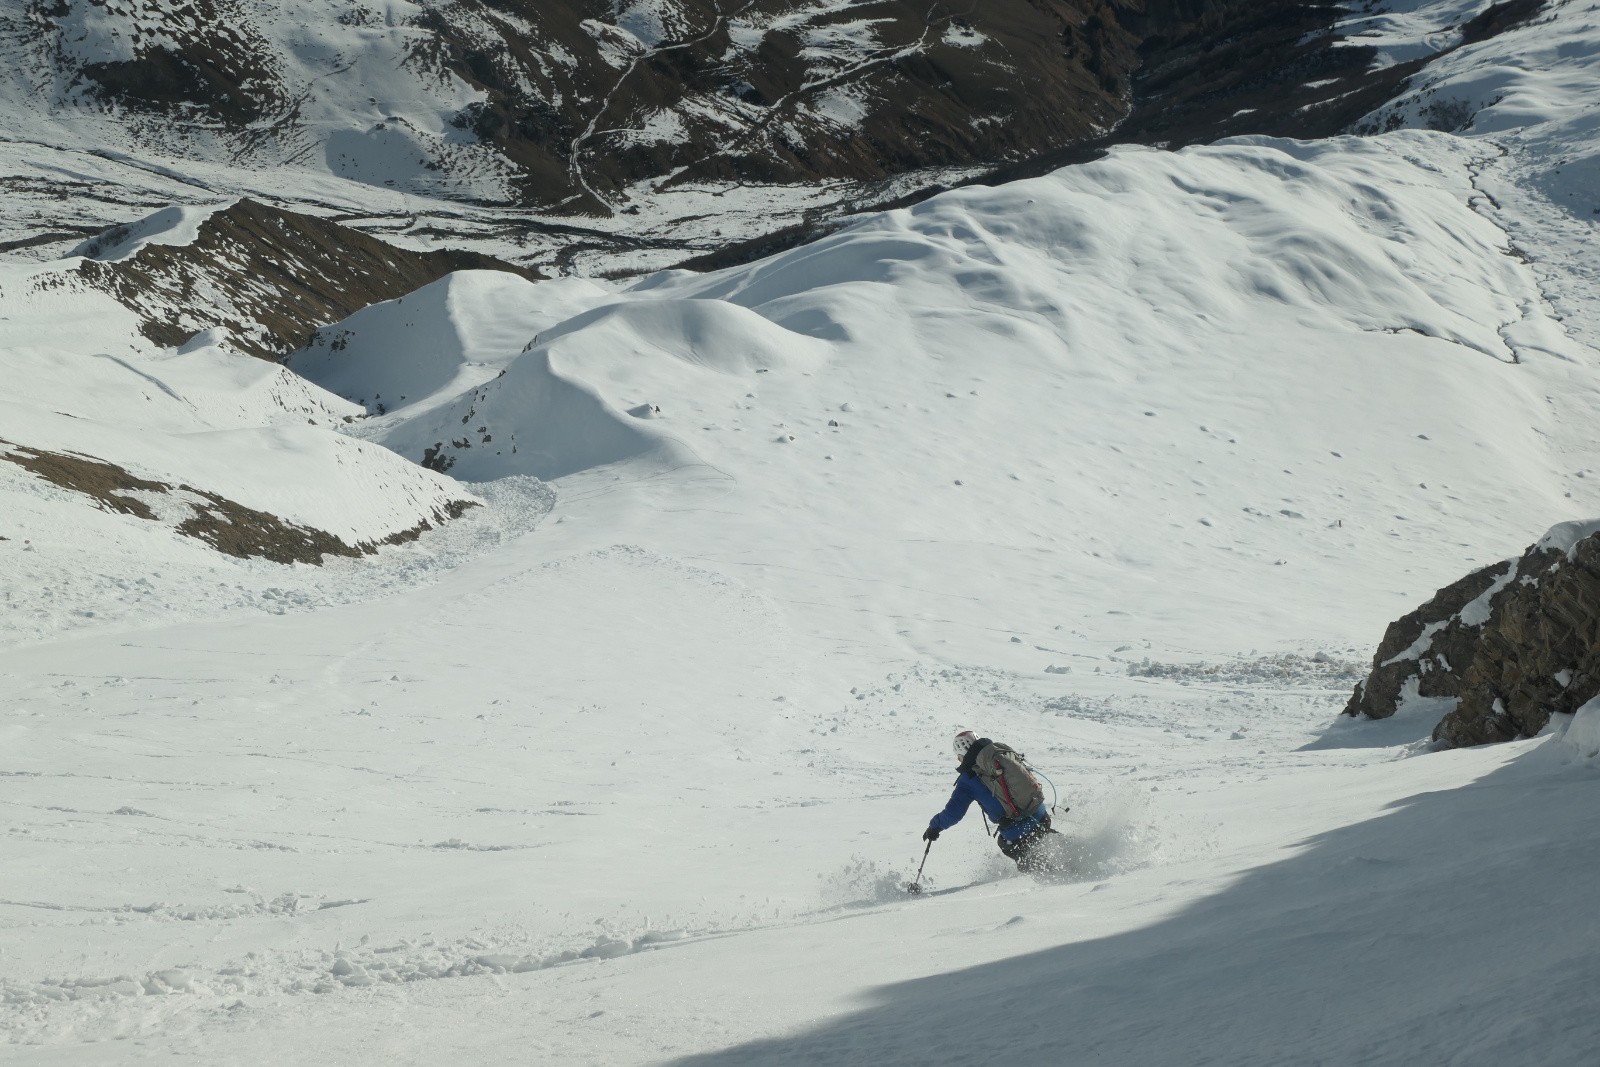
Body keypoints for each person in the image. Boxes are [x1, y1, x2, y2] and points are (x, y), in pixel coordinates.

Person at [923, 729, 1057, 870]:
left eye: (958, 756)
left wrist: (934, 827)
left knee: (1007, 845)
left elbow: (953, 813)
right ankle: (1071, 850)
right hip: (1040, 814)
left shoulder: (968, 779)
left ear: (962, 753)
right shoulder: (998, 753)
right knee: (1042, 835)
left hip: (1018, 834)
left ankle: (1055, 877)